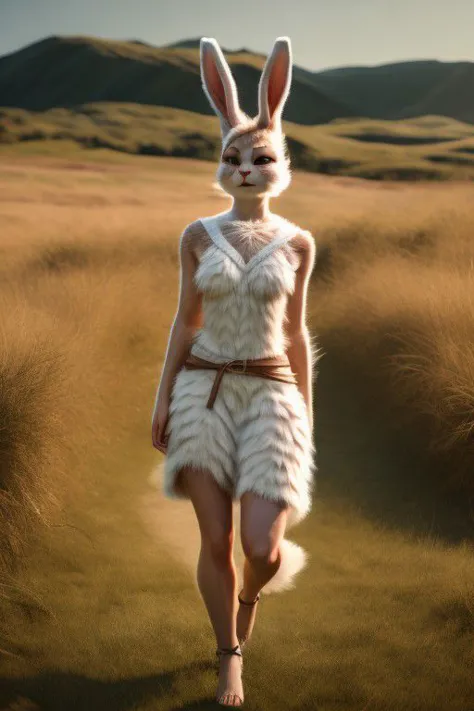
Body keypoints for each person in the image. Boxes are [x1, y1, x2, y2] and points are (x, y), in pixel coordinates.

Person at [151, 35, 317, 707]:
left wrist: (306, 410)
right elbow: (184, 321)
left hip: (273, 394)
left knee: (261, 543)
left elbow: (297, 331)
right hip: (204, 391)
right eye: (234, 157)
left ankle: (254, 590)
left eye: (260, 157)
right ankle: (230, 657)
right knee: (214, 534)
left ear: (279, 163)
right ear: (222, 164)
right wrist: (163, 398)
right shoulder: (198, 235)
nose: (246, 167)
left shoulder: (297, 241)